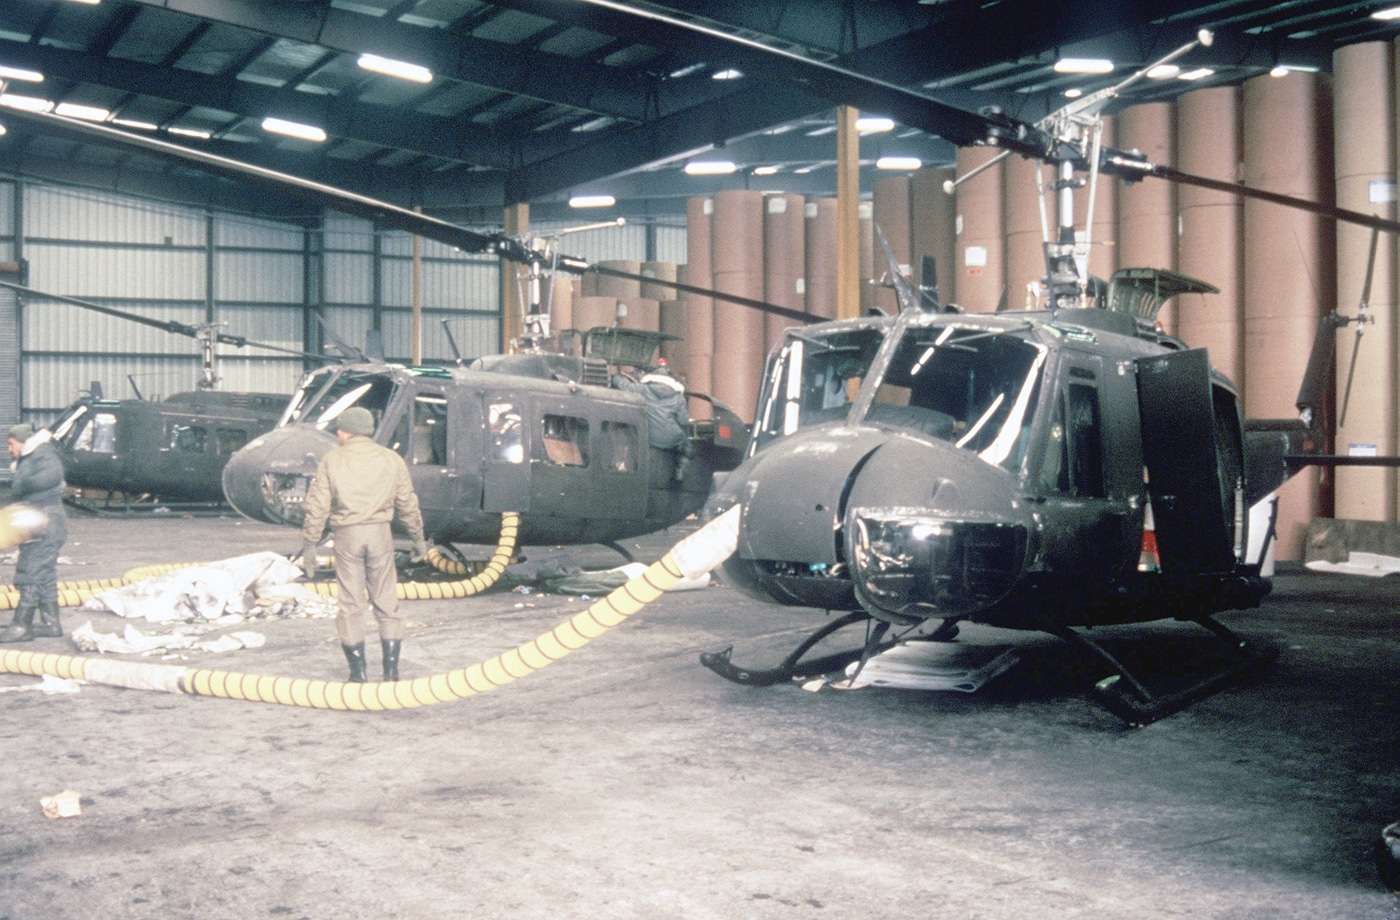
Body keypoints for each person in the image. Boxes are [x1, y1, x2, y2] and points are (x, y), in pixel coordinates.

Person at [300, 406, 428, 683]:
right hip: (381, 534)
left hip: (348, 536)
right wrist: (417, 537)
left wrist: (310, 544)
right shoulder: (392, 459)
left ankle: (358, 674)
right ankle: (391, 673)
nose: (337, 434)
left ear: (346, 432)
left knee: (350, 604)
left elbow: (318, 507)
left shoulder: (332, 461)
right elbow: (407, 502)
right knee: (387, 602)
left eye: (339, 430)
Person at [0, 423, 68, 643]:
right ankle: (51, 623)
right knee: (44, 573)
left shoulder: (43, 454)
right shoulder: (33, 457)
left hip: (45, 519)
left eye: (11, 444)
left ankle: (22, 624)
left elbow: (51, 476)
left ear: (24, 441)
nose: (9, 449)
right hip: (42, 518)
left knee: (31, 570)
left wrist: (20, 488)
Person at [612, 359, 694, 481]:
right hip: (672, 438)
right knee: (687, 446)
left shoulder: (643, 390)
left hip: (650, 437)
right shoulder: (678, 398)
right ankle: (679, 472)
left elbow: (623, 385)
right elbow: (683, 421)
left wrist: (616, 376)